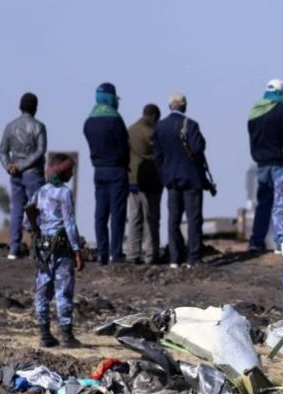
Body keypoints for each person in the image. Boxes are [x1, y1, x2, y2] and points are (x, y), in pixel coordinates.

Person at [26, 154, 83, 348]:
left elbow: (27, 220)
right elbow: (69, 223)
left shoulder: (40, 192)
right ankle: (66, 336)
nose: (71, 174)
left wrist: (39, 230)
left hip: (42, 250)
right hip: (61, 249)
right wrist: (77, 250)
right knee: (63, 291)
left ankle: (44, 334)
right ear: (62, 171)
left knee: (42, 291)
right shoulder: (65, 193)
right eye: (69, 171)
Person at [153, 93, 208, 269]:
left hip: (171, 180)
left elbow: (157, 156)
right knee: (194, 220)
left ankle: (175, 258)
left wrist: (165, 176)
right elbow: (198, 150)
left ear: (169, 106)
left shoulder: (160, 127)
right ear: (184, 106)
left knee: (173, 220)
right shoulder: (191, 125)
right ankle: (194, 258)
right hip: (191, 179)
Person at [248, 78, 283, 252]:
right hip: (279, 163)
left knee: (263, 203)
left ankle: (256, 241)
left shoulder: (255, 111)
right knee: (281, 203)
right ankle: (281, 242)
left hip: (262, 164)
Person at [83, 82, 130, 265]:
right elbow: (124, 146)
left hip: (98, 171)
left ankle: (102, 254)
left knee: (100, 214)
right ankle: (116, 253)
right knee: (117, 214)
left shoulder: (89, 121)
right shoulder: (115, 120)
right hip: (116, 170)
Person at [0, 92, 47, 259]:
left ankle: (14, 248)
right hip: (33, 174)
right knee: (37, 210)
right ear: (35, 107)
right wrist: (21, 166)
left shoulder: (10, 126)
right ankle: (38, 248)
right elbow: (40, 151)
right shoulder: (39, 127)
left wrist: (10, 166)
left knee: (17, 209)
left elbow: (2, 151)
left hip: (15, 175)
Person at [126, 104, 162, 265]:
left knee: (134, 218)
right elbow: (159, 155)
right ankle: (150, 254)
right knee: (151, 218)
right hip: (151, 181)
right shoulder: (153, 132)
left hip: (133, 180)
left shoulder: (130, 130)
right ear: (154, 116)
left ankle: (132, 253)